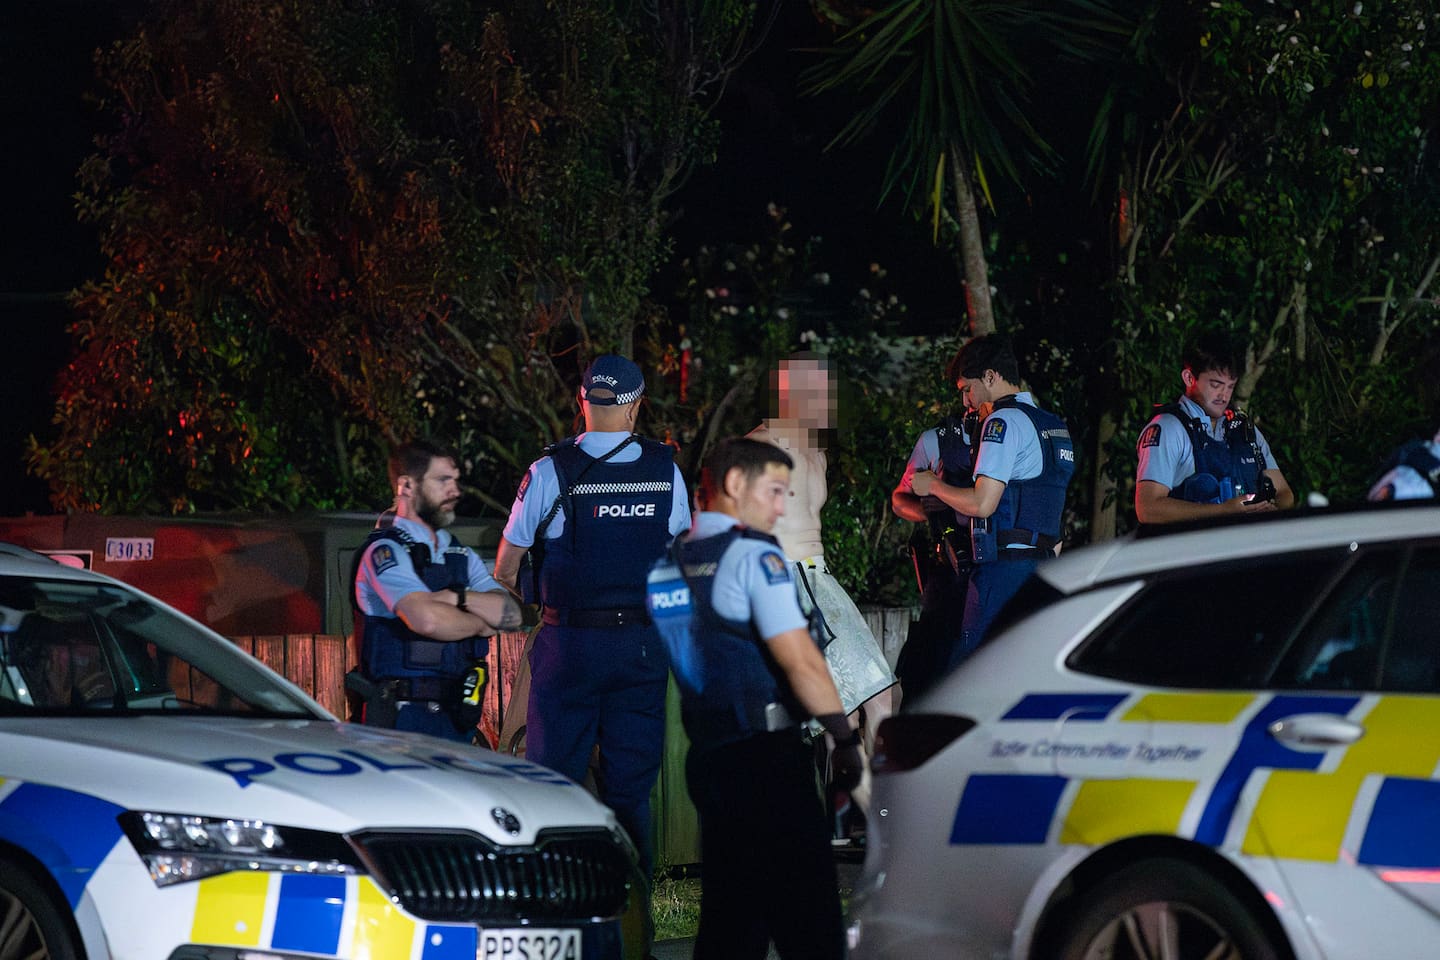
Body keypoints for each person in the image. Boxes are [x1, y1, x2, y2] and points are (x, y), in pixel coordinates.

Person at [646, 437, 861, 960]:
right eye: (774, 491)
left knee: (732, 920)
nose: (782, 507)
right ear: (734, 483)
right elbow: (800, 659)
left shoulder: (666, 565)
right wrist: (844, 737)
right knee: (809, 920)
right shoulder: (752, 555)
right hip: (767, 757)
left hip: (710, 757)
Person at [493, 354, 690, 878]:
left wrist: (533, 613)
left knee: (553, 783)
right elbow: (680, 565)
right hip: (641, 648)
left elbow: (505, 569)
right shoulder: (665, 471)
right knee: (631, 790)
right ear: (635, 407)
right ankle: (633, 903)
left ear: (582, 402)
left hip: (569, 647)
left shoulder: (547, 471)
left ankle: (553, 892)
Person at [747, 353, 894, 824]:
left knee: (877, 699)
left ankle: (865, 815)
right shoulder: (757, 447)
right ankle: (874, 819)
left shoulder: (816, 451)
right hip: (786, 582)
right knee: (843, 716)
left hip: (822, 580)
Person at [909, 334, 1076, 666]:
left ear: (990, 376)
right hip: (1045, 569)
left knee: (970, 673)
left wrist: (934, 485)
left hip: (1003, 572)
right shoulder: (1053, 425)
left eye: (967, 389)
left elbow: (982, 504)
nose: (966, 401)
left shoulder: (1002, 421)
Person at [351, 439, 522, 742]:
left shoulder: (459, 553)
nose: (455, 491)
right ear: (406, 486)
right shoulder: (384, 551)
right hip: (399, 720)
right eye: (443, 480)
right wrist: (480, 623)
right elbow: (427, 620)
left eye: (455, 481)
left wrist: (457, 597)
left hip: (457, 716)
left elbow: (510, 615)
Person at [891, 354, 982, 706]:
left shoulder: (1010, 433)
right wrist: (926, 511)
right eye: (963, 393)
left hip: (993, 562)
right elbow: (899, 499)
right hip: (948, 567)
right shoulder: (936, 440)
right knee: (929, 658)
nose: (967, 402)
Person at [1135, 332, 1295, 525]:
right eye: (1216, 385)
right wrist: (1222, 511)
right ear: (1189, 378)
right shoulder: (1169, 429)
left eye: (1230, 387)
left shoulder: (1243, 430)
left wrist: (1270, 511)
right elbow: (1148, 509)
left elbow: (1284, 493)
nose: (1224, 395)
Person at [1368, 426, 1440, 501]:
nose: (1436, 437)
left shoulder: (1419, 450)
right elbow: (1394, 473)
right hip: (1399, 486)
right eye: (1437, 434)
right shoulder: (1418, 450)